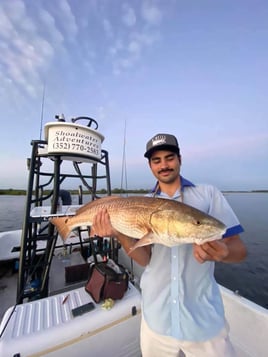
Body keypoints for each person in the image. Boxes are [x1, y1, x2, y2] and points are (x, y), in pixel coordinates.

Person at [91, 133, 247, 357]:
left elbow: (239, 250)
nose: (164, 165)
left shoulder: (208, 195)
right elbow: (146, 260)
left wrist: (223, 253)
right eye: (157, 160)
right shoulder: (140, 203)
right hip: (157, 319)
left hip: (203, 321)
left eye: (169, 157)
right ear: (150, 166)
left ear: (180, 159)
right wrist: (118, 233)